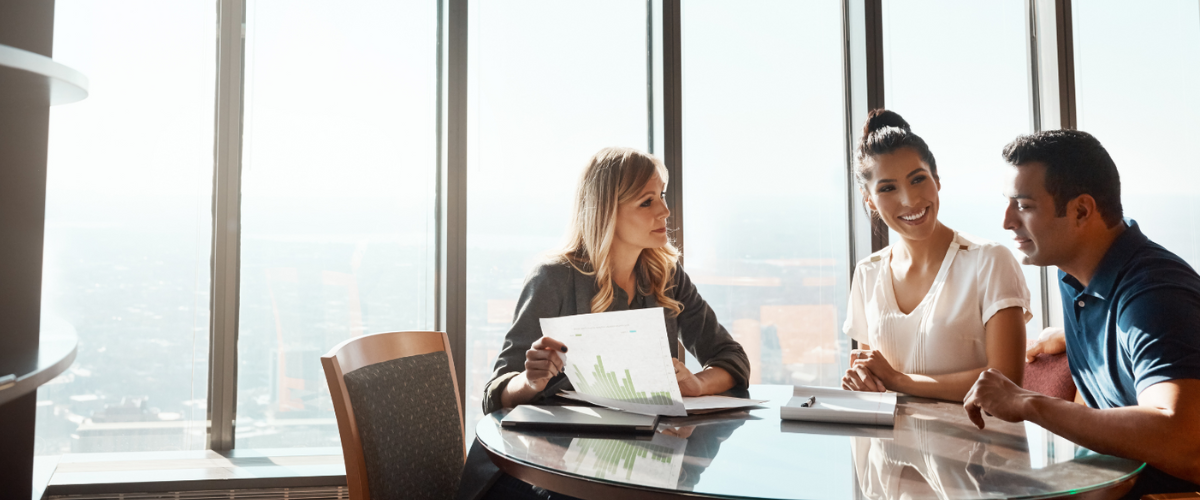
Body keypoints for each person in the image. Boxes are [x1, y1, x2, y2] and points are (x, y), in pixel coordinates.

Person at [471, 146, 751, 499]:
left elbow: (733, 358)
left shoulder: (666, 277)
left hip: (635, 465)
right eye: (647, 202)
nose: (665, 210)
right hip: (540, 474)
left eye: (661, 197)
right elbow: (495, 397)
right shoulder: (554, 279)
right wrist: (529, 381)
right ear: (607, 212)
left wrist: (698, 383)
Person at [964, 129, 1200, 496]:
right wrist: (1071, 336)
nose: (1007, 221)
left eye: (1024, 206)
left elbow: (1184, 441)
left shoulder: (1155, 294)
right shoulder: (1076, 277)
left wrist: (1026, 402)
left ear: (1081, 211)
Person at [842, 109, 1030, 402]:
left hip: (976, 446)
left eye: (917, 179)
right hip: (888, 445)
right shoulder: (868, 272)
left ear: (937, 179)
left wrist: (898, 380)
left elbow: (1005, 380)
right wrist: (863, 381)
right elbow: (872, 378)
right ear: (870, 201)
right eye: (888, 188)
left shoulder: (989, 261)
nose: (909, 199)